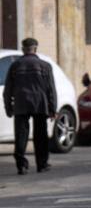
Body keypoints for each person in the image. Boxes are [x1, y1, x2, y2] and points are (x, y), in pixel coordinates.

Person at [3, 38, 56, 175]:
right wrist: (52, 108)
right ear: (35, 49)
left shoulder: (15, 66)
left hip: (21, 104)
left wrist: (8, 107)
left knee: (21, 135)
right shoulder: (45, 66)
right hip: (40, 104)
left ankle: (22, 165)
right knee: (40, 135)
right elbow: (51, 89)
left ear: (23, 49)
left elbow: (8, 89)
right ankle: (42, 164)